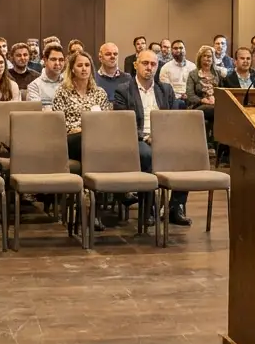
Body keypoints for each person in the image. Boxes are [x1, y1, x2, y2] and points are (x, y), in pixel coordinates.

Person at [112, 49, 185, 226]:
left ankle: (174, 208)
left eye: (153, 64)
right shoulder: (123, 90)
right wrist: (145, 136)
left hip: (162, 138)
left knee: (185, 154)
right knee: (147, 154)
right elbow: (123, 124)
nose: (149, 68)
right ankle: (148, 210)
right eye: (145, 63)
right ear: (136, 65)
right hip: (137, 139)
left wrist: (160, 136)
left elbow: (173, 119)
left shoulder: (165, 90)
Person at [52, 51, 111, 159]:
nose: (84, 69)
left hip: (97, 136)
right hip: (72, 137)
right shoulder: (62, 92)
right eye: (80, 65)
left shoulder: (99, 93)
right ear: (72, 69)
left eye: (87, 65)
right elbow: (57, 122)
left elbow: (106, 120)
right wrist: (78, 129)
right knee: (85, 139)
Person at [185, 45, 228, 127]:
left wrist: (216, 100)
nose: (207, 58)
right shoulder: (193, 74)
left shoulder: (218, 74)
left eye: (209, 56)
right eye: (204, 56)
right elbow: (190, 95)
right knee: (213, 110)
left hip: (215, 104)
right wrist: (203, 100)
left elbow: (223, 92)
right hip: (198, 105)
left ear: (213, 59)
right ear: (200, 58)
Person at [158, 39, 195, 106]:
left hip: (190, 97)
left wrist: (188, 95)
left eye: (181, 48)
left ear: (185, 50)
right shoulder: (165, 68)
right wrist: (179, 96)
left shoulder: (193, 67)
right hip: (174, 99)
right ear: (171, 51)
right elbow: (166, 89)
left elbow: (195, 86)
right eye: (175, 48)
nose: (178, 50)